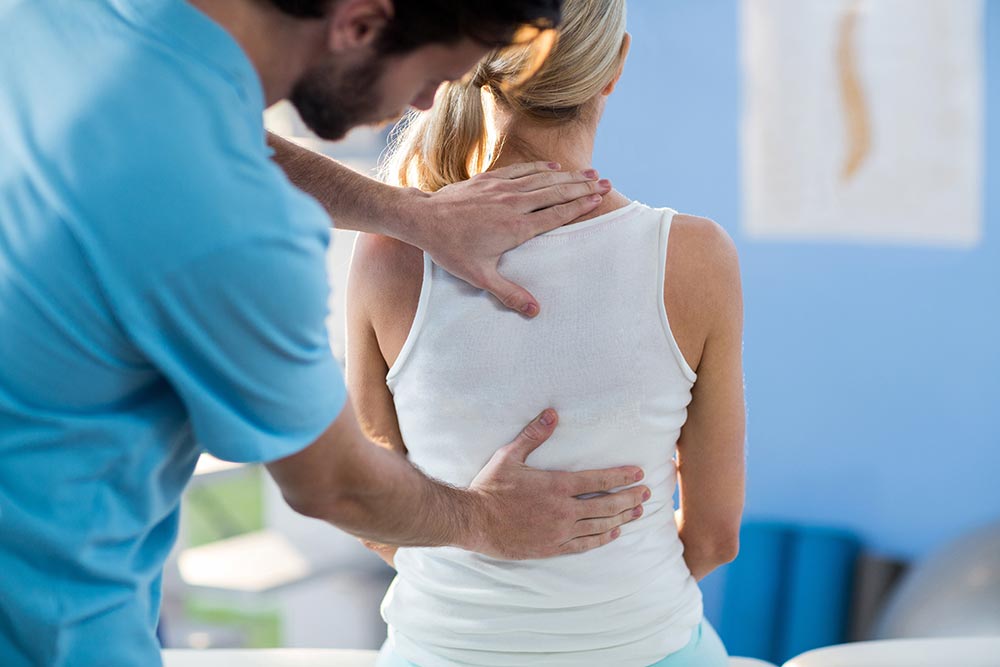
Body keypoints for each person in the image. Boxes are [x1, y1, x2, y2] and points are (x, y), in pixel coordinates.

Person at [0, 1, 654, 665]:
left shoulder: (63, 16)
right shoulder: (237, 227)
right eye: (436, 75)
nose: (431, 104)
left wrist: (408, 214)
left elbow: (176, 129)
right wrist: (486, 517)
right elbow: (334, 484)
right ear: (361, 23)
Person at [345, 1, 747, 665]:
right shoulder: (696, 258)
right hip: (647, 646)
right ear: (614, 66)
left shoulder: (388, 256)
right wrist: (598, 605)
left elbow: (366, 507)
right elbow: (714, 537)